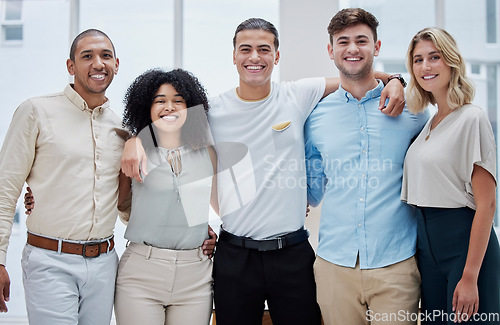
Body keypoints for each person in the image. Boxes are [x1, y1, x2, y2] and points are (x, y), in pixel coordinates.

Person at [121, 18, 405, 325]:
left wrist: (395, 79)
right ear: (234, 56)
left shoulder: (298, 94)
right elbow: (162, 132)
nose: (254, 57)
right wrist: (134, 139)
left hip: (293, 253)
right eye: (246, 49)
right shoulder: (212, 112)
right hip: (235, 255)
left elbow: (355, 77)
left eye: (263, 49)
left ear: (276, 56)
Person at [305, 8, 429, 325]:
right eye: (343, 41)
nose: (353, 48)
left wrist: (399, 79)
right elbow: (312, 189)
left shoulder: (413, 110)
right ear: (330, 50)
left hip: (397, 264)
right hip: (334, 265)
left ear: (376, 47)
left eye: (362, 40)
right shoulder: (315, 116)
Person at [0, 29, 124, 324]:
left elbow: (127, 205)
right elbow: (6, 190)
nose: (98, 63)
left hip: (105, 263)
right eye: (87, 56)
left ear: (116, 64)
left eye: (105, 56)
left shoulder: (121, 128)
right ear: (71, 67)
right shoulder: (36, 111)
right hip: (49, 261)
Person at [401, 27, 500, 324]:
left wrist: (470, 276)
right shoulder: (429, 123)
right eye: (418, 60)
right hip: (426, 247)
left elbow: (487, 204)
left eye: (434, 57)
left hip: (464, 244)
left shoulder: (472, 118)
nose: (425, 67)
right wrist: (390, 79)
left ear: (452, 62)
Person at [113, 68, 217, 325]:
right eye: (160, 100)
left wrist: (213, 233)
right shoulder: (134, 150)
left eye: (178, 100)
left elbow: (222, 205)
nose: (169, 107)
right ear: (146, 107)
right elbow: (111, 202)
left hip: (196, 274)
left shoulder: (206, 151)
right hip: (141, 273)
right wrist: (133, 139)